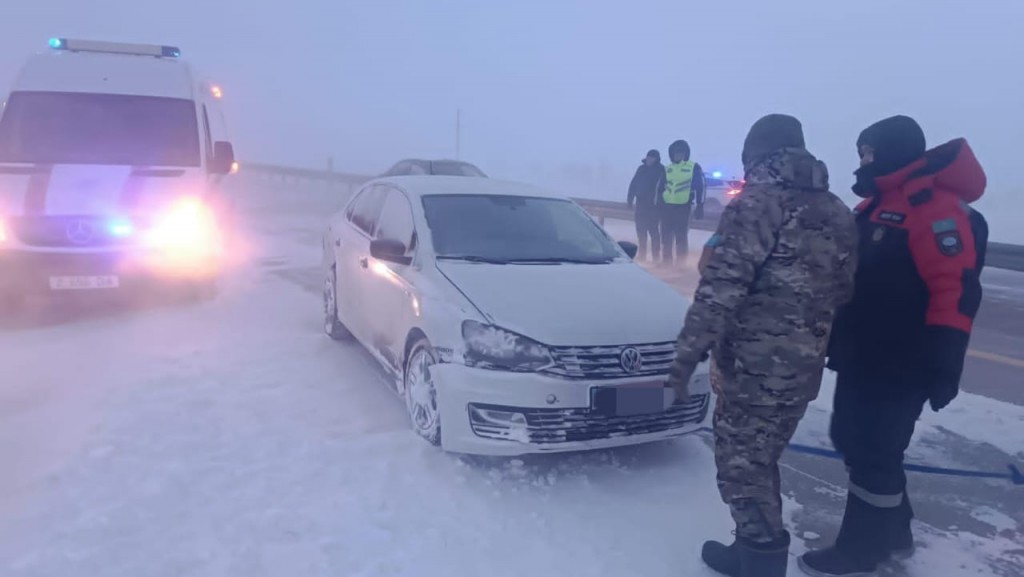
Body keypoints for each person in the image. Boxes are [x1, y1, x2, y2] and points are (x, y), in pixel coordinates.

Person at [667, 114, 858, 577]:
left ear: (757, 155)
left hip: (752, 369)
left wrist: (685, 358)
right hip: (802, 369)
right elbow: (845, 290)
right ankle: (750, 551)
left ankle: (760, 564)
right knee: (761, 463)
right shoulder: (836, 210)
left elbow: (720, 290)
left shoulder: (757, 205)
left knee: (741, 473)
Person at [798, 116, 988, 577]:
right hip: (863, 356)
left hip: (902, 360)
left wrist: (945, 363)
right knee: (853, 440)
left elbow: (954, 291)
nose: (863, 161)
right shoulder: (874, 206)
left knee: (873, 452)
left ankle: (862, 549)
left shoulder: (933, 209)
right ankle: (894, 528)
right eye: (862, 152)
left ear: (894, 151)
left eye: (869, 152)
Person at [659, 139, 706, 265]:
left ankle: (681, 263)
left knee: (681, 237)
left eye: (681, 153)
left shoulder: (693, 167)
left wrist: (700, 205)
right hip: (667, 207)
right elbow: (660, 187)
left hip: (683, 207)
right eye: (676, 153)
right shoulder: (668, 169)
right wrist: (658, 203)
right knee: (666, 236)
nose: (678, 155)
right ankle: (666, 262)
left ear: (686, 154)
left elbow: (701, 186)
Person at [627, 149, 666, 261]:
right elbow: (633, 184)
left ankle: (655, 257)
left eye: (652, 158)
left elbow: (663, 188)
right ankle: (642, 254)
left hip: (654, 207)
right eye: (648, 157)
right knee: (641, 231)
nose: (649, 160)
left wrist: (661, 205)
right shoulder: (641, 169)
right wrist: (630, 199)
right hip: (640, 205)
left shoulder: (661, 170)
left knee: (653, 232)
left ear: (657, 159)